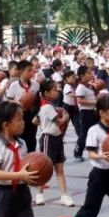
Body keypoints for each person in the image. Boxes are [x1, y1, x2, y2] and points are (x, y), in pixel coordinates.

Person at [35, 79, 74, 207]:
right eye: (54, 90)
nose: (57, 92)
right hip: (48, 138)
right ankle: (39, 194)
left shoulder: (45, 106)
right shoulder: (46, 106)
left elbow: (34, 121)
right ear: (46, 93)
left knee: (59, 168)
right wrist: (66, 117)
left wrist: (43, 123)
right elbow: (60, 122)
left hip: (56, 138)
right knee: (45, 167)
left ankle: (64, 196)